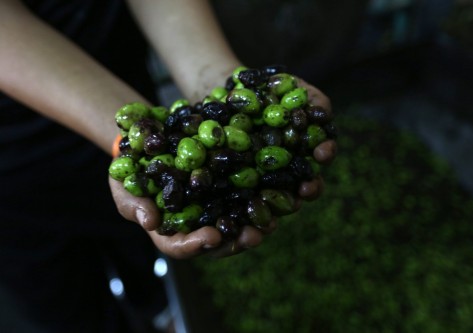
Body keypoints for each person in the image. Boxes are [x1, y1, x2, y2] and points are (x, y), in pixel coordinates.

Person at [0, 0, 336, 332]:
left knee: (142, 260)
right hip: (11, 169)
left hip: (117, 79)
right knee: (64, 303)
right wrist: (124, 136)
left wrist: (211, 73)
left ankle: (161, 310)